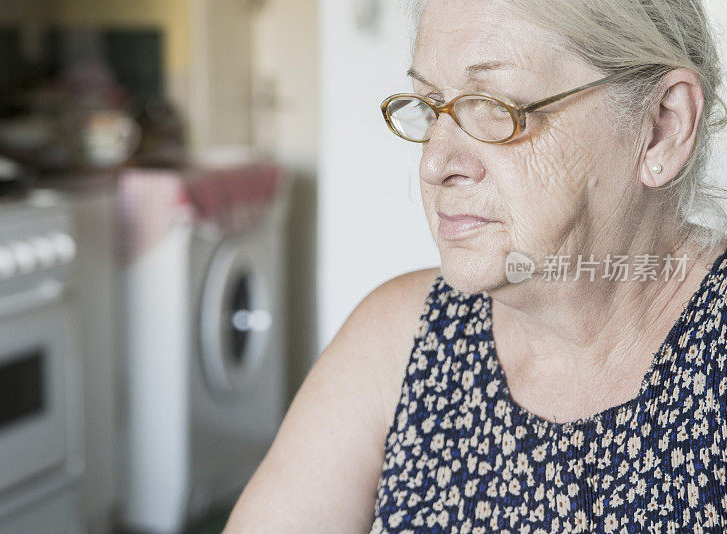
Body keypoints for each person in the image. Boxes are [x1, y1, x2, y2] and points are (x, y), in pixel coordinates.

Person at [224, 0, 727, 531]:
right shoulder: (401, 338)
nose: (435, 164)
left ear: (662, 128)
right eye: (431, 104)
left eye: (496, 106)